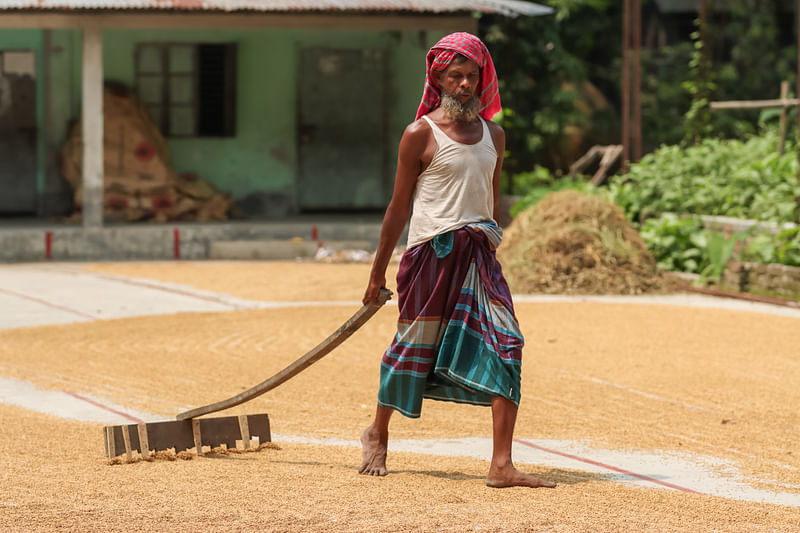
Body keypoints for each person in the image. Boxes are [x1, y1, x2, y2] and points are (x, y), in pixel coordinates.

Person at [360, 32, 556, 489]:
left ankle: (502, 465)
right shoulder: (419, 135)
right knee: (412, 348)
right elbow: (397, 209)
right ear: (439, 79)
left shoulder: (495, 135)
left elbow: (493, 194)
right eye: (456, 76)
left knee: (507, 345)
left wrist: (490, 237)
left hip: (479, 257)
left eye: (473, 76)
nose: (466, 84)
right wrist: (376, 274)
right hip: (431, 256)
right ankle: (378, 432)